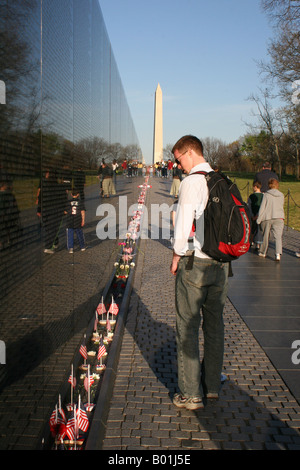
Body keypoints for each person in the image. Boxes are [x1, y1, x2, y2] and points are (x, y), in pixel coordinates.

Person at [170, 135, 229, 410]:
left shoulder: (192, 182)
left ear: (190, 152)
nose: (177, 164)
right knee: (215, 327)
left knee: (187, 328)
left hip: (195, 263)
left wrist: (175, 255)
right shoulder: (221, 179)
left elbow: (183, 225)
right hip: (222, 265)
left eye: (178, 158)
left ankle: (191, 394)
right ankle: (212, 386)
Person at [256, 178, 285, 261]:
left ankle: (263, 252)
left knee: (265, 235)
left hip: (267, 217)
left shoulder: (266, 195)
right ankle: (277, 254)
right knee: (278, 237)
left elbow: (262, 207)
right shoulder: (281, 195)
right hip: (279, 217)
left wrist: (259, 219)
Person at [64, 188, 86, 253]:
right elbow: (82, 212)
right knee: (79, 234)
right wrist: (83, 220)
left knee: (70, 234)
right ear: (78, 194)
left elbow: (65, 212)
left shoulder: (68, 202)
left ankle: (71, 248)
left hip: (70, 220)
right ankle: (82, 246)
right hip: (78, 220)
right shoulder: (80, 202)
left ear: (71, 194)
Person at [247, 181, 263, 250]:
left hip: (253, 214)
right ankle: (258, 244)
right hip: (260, 215)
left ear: (255, 187)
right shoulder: (263, 196)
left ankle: (251, 241)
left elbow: (249, 206)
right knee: (259, 229)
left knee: (252, 229)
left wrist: (252, 215)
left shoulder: (251, 196)